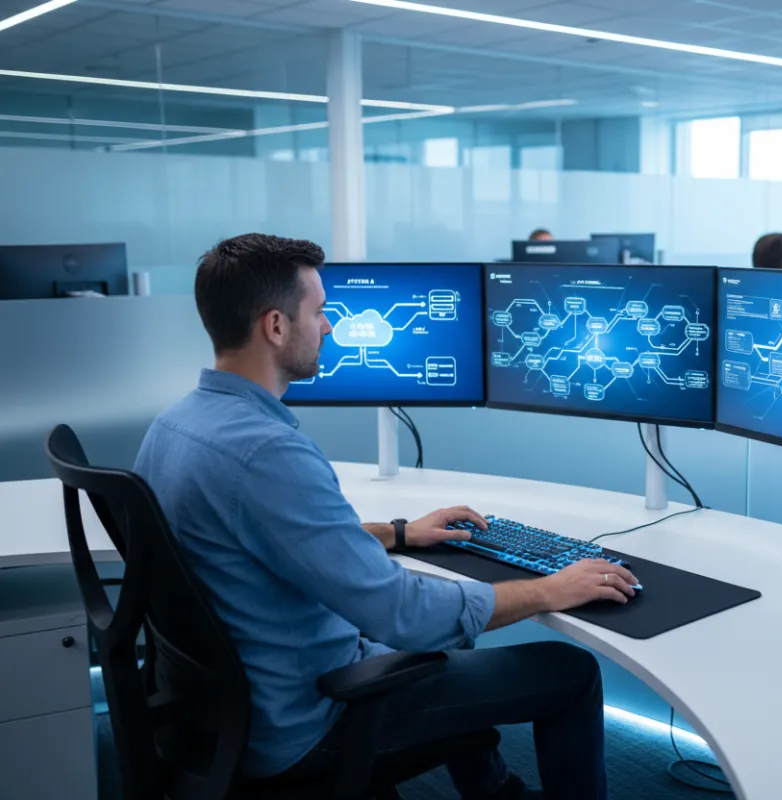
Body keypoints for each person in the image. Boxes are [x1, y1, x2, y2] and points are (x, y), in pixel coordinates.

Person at [133, 233, 635, 799]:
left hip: (223, 710)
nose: (329, 327)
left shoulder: (174, 427)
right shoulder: (268, 453)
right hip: (311, 715)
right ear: (275, 327)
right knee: (567, 671)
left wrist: (400, 533)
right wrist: (548, 589)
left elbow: (268, 538)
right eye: (319, 312)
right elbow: (403, 613)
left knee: (454, 639)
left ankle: (494, 790)